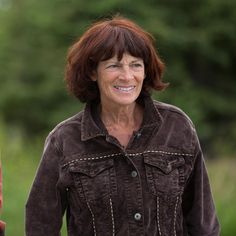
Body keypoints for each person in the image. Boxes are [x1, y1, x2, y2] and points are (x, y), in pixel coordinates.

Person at [25, 15, 220, 236]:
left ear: (145, 70)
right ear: (92, 72)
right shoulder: (64, 140)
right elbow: (39, 225)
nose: (127, 76)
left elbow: (204, 224)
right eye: (114, 65)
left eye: (136, 65)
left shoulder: (178, 127)